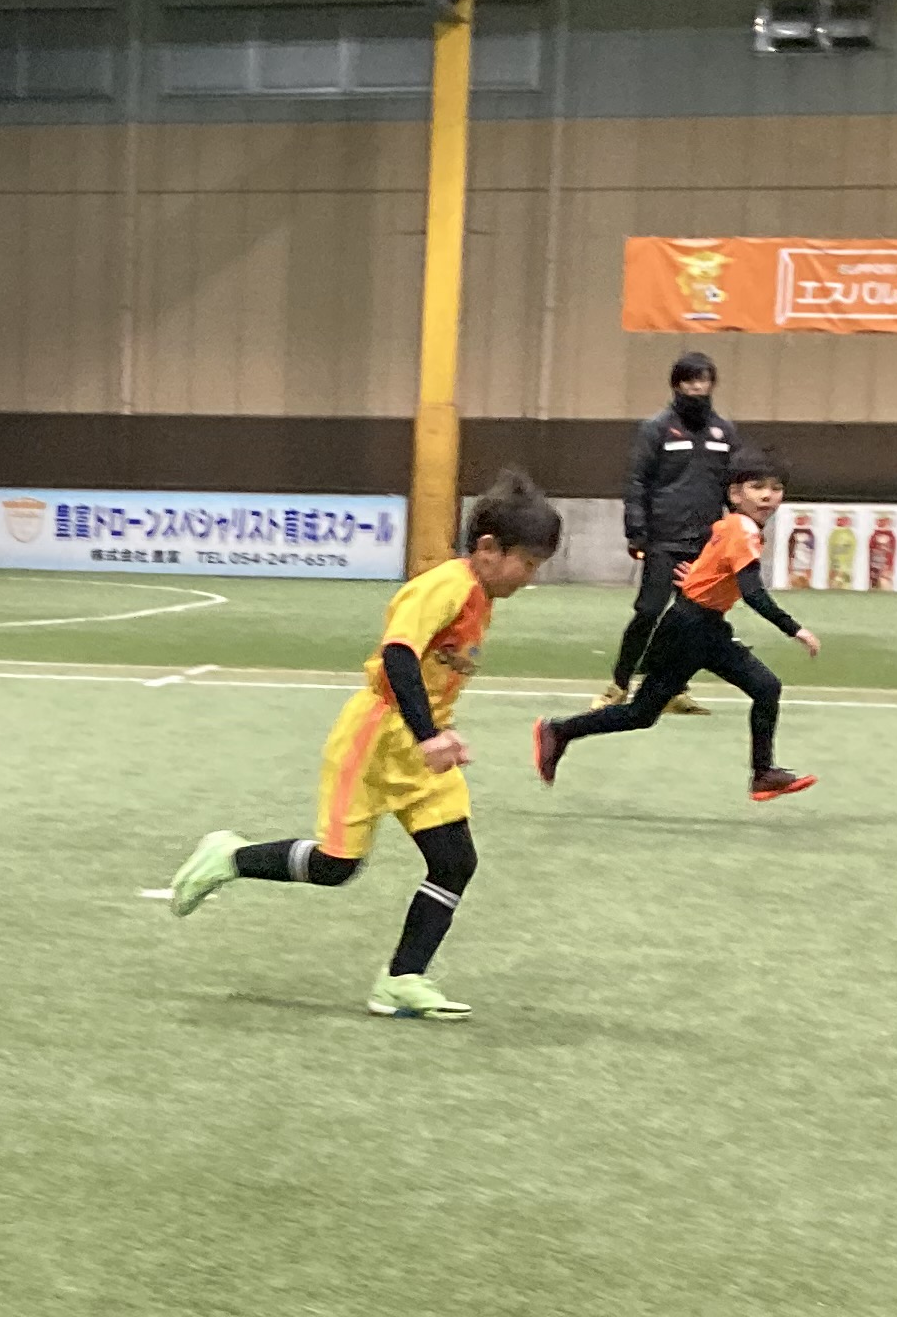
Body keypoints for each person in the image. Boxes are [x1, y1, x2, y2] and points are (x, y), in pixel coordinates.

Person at [161, 468, 564, 1022]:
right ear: (489, 548)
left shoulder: (479, 595)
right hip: (376, 738)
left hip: (420, 746)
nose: (530, 577)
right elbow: (399, 654)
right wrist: (428, 735)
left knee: (454, 861)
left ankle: (401, 980)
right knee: (336, 866)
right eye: (529, 563)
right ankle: (229, 857)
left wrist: (436, 733)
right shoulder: (445, 587)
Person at [536, 450, 819, 802]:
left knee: (761, 689)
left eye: (775, 488)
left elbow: (715, 562)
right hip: (690, 630)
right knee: (646, 713)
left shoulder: (731, 525)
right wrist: (794, 629)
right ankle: (558, 731)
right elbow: (752, 592)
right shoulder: (743, 531)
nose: (767, 496)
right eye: (757, 487)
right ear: (735, 494)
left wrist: (699, 579)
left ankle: (763, 774)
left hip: (700, 626)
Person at [608, 352, 744, 709]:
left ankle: (674, 690)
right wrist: (636, 530)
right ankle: (618, 685)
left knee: (692, 620)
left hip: (707, 544)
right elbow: (637, 481)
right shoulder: (655, 428)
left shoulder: (724, 432)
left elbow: (735, 486)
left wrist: (742, 527)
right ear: (676, 384)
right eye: (689, 380)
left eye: (703, 380)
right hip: (662, 540)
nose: (697, 388)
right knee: (649, 612)